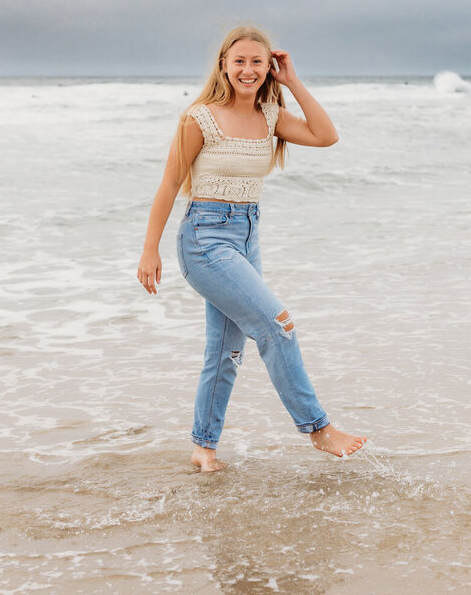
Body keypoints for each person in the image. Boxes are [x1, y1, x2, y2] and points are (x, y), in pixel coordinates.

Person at [137, 26, 368, 472]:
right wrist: (151, 249)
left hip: (246, 236)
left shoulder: (269, 116)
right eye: (239, 61)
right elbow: (169, 183)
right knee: (278, 326)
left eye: (257, 63)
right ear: (224, 64)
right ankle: (318, 430)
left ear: (268, 68)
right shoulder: (199, 118)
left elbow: (326, 136)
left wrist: (292, 83)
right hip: (205, 240)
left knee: (225, 351)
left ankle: (203, 448)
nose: (247, 70)